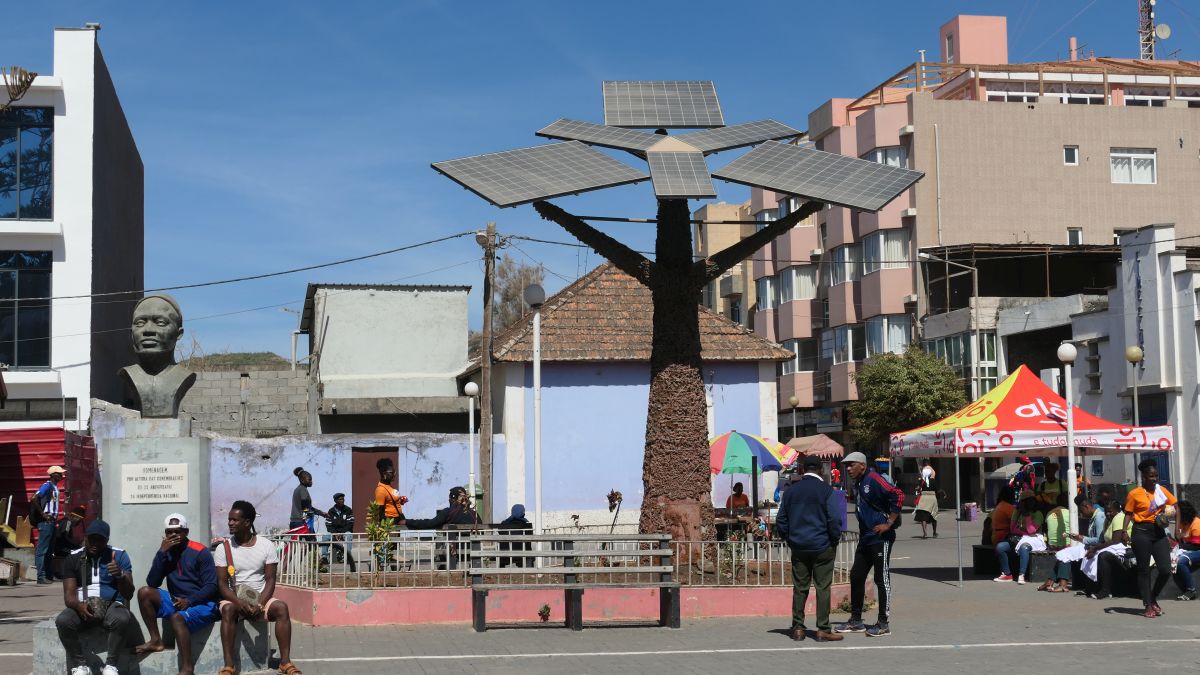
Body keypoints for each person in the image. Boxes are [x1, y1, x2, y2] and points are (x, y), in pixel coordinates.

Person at [214, 500, 302, 675]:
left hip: (260, 597)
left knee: (281, 608)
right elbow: (222, 584)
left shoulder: (266, 545)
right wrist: (239, 603)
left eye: (234, 520)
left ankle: (285, 663)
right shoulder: (224, 548)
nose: (230, 523)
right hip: (234, 598)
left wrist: (260, 604)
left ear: (247, 522)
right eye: (229, 519)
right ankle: (229, 666)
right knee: (228, 610)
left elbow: (270, 580)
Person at [134, 513, 220, 674]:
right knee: (144, 592)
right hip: (177, 601)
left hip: (203, 604)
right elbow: (153, 582)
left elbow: (211, 586)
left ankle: (187, 668)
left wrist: (190, 601)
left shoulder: (200, 551)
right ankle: (156, 640)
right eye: (169, 532)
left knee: (177, 618)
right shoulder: (166, 553)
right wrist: (161, 553)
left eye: (177, 531)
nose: (173, 535)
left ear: (186, 532)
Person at [834, 452, 903, 638]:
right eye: (846, 466)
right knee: (856, 576)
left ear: (862, 465)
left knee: (882, 579)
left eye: (851, 465)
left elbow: (898, 494)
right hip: (866, 538)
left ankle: (883, 623)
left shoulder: (873, 479)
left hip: (880, 538)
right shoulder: (858, 483)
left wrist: (889, 523)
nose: (848, 469)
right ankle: (856, 620)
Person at [54, 519, 135, 675]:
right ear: (85, 537)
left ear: (107, 540)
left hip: (111, 604)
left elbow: (128, 594)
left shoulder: (119, 555)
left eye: (101, 540)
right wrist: (79, 606)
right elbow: (69, 596)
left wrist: (120, 576)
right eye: (92, 539)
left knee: (122, 618)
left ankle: (111, 665)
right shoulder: (73, 557)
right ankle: (79, 665)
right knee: (63, 620)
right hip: (83, 604)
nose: (95, 544)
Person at [776, 456, 843, 642]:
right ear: (821, 470)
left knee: (800, 587)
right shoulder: (826, 490)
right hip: (822, 546)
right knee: (823, 588)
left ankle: (798, 627)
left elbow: (781, 520)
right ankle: (823, 628)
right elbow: (834, 519)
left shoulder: (791, 491)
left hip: (799, 546)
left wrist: (789, 539)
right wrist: (833, 539)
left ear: (802, 469)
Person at [119, 294, 196, 418]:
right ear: (131, 333)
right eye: (140, 323)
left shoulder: (184, 376)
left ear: (179, 333)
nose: (148, 330)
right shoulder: (128, 374)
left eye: (160, 322)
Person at [1125, 458, 1177, 617]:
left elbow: (1175, 505)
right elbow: (1128, 513)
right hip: (1141, 532)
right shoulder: (1134, 493)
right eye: (1151, 476)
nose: (1154, 479)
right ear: (1144, 477)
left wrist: (1174, 523)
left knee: (1166, 569)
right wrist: (1124, 531)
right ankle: (1147, 604)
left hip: (1158, 532)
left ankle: (1153, 597)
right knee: (1144, 570)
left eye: (1156, 476)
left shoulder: (1161, 490)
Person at [1086, 499, 1132, 600]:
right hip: (1114, 547)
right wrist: (1093, 549)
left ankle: (1105, 590)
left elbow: (1116, 540)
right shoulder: (1107, 520)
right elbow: (1104, 540)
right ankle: (1093, 586)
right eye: (1106, 511)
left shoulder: (1119, 517)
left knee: (1103, 556)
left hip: (1126, 549)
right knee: (1090, 554)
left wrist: (1096, 548)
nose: (1107, 514)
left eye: (1110, 511)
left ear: (1117, 510)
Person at [994, 490, 1043, 584]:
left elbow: (1031, 530)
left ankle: (1022, 574)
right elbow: (1012, 529)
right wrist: (1018, 513)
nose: (1031, 503)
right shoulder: (1017, 512)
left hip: (1033, 540)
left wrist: (1027, 515)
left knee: (1023, 548)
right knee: (1000, 547)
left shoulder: (1037, 514)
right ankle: (1007, 574)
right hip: (1020, 538)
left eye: (1032, 500)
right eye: (1027, 501)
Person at [33, 465, 67, 584]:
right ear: (53, 475)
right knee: (42, 549)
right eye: (59, 473)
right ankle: (41, 576)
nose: (62, 475)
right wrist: (43, 514)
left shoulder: (54, 487)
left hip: (52, 521)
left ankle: (48, 575)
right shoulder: (47, 485)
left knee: (49, 550)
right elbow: (34, 498)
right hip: (46, 522)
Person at [402, 486, 482, 530]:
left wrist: (407, 522)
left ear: (451, 499)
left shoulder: (449, 512)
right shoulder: (474, 514)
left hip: (456, 552)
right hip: (474, 551)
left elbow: (429, 524)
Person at [1038, 492, 1071, 592]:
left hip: (1052, 545)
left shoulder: (1049, 513)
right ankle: (1062, 584)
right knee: (1066, 554)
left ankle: (1049, 582)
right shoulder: (1070, 513)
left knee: (1063, 554)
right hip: (1066, 545)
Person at [1172, 500, 1200, 601]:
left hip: (1197, 549)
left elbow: (1197, 546)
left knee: (1180, 562)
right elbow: (1178, 538)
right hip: (1190, 550)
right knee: (1173, 560)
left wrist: (1179, 545)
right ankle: (1184, 589)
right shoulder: (1183, 523)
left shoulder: (1196, 523)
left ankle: (1191, 590)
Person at [324, 492, 356, 572]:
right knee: (325, 536)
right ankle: (324, 558)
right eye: (340, 499)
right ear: (335, 501)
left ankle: (348, 557)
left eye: (343, 499)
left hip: (344, 533)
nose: (342, 500)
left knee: (349, 535)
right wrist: (335, 533)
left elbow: (350, 523)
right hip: (334, 533)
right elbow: (328, 524)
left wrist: (341, 533)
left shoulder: (348, 510)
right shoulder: (331, 511)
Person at [289, 467, 326, 533]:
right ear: (302, 480)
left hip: (294, 521)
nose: (311, 482)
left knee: (303, 539)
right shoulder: (303, 489)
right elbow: (305, 503)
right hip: (301, 522)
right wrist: (309, 511)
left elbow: (307, 506)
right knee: (311, 538)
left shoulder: (297, 489)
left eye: (311, 480)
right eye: (309, 480)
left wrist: (321, 513)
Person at [497, 504, 533, 568]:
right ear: (522, 512)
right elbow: (530, 535)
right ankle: (529, 571)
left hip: (504, 554)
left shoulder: (504, 523)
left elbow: (500, 532)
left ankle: (500, 571)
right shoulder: (527, 524)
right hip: (522, 554)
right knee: (528, 549)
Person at [374, 458, 407, 522]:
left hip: (398, 518)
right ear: (384, 474)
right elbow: (380, 512)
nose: (394, 474)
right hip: (390, 521)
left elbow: (391, 501)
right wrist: (385, 526)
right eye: (391, 472)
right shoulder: (381, 490)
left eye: (394, 471)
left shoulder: (389, 486)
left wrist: (400, 500)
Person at [913, 469, 939, 539]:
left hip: (924, 499)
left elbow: (918, 488)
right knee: (933, 516)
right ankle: (934, 533)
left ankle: (925, 533)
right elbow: (936, 490)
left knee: (923, 517)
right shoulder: (934, 481)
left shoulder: (922, 481)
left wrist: (917, 489)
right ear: (930, 474)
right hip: (932, 498)